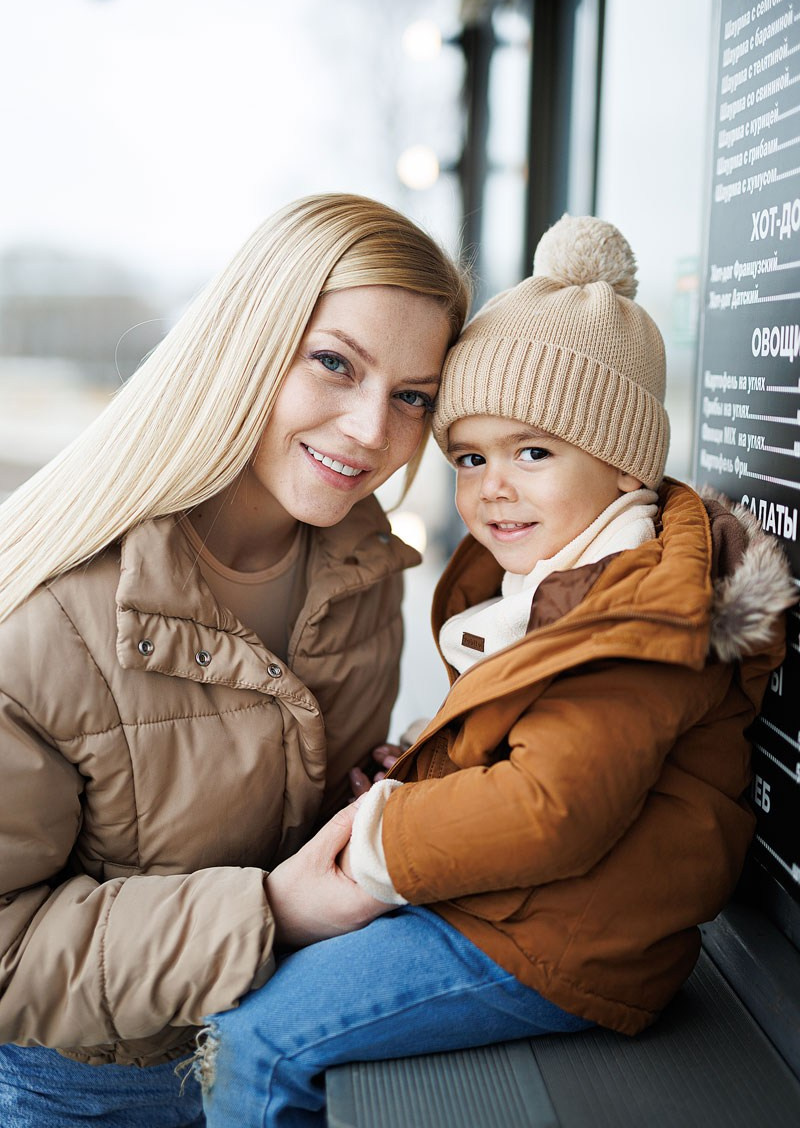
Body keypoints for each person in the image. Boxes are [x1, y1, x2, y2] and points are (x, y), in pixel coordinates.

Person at [198, 214, 797, 1128]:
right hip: (518, 904)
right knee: (262, 968)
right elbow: (525, 738)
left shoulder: (638, 613)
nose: (493, 486)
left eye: (534, 452)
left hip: (567, 941)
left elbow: (552, 807)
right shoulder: (556, 576)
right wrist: (420, 767)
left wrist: (375, 838)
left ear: (624, 463)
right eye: (471, 458)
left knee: (258, 1037)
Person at [0, 192, 470, 1127]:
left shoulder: (367, 569)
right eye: (335, 363)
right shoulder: (46, 619)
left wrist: (369, 798)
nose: (372, 430)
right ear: (249, 346)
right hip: (92, 1091)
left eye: (412, 396)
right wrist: (271, 910)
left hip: (289, 1044)